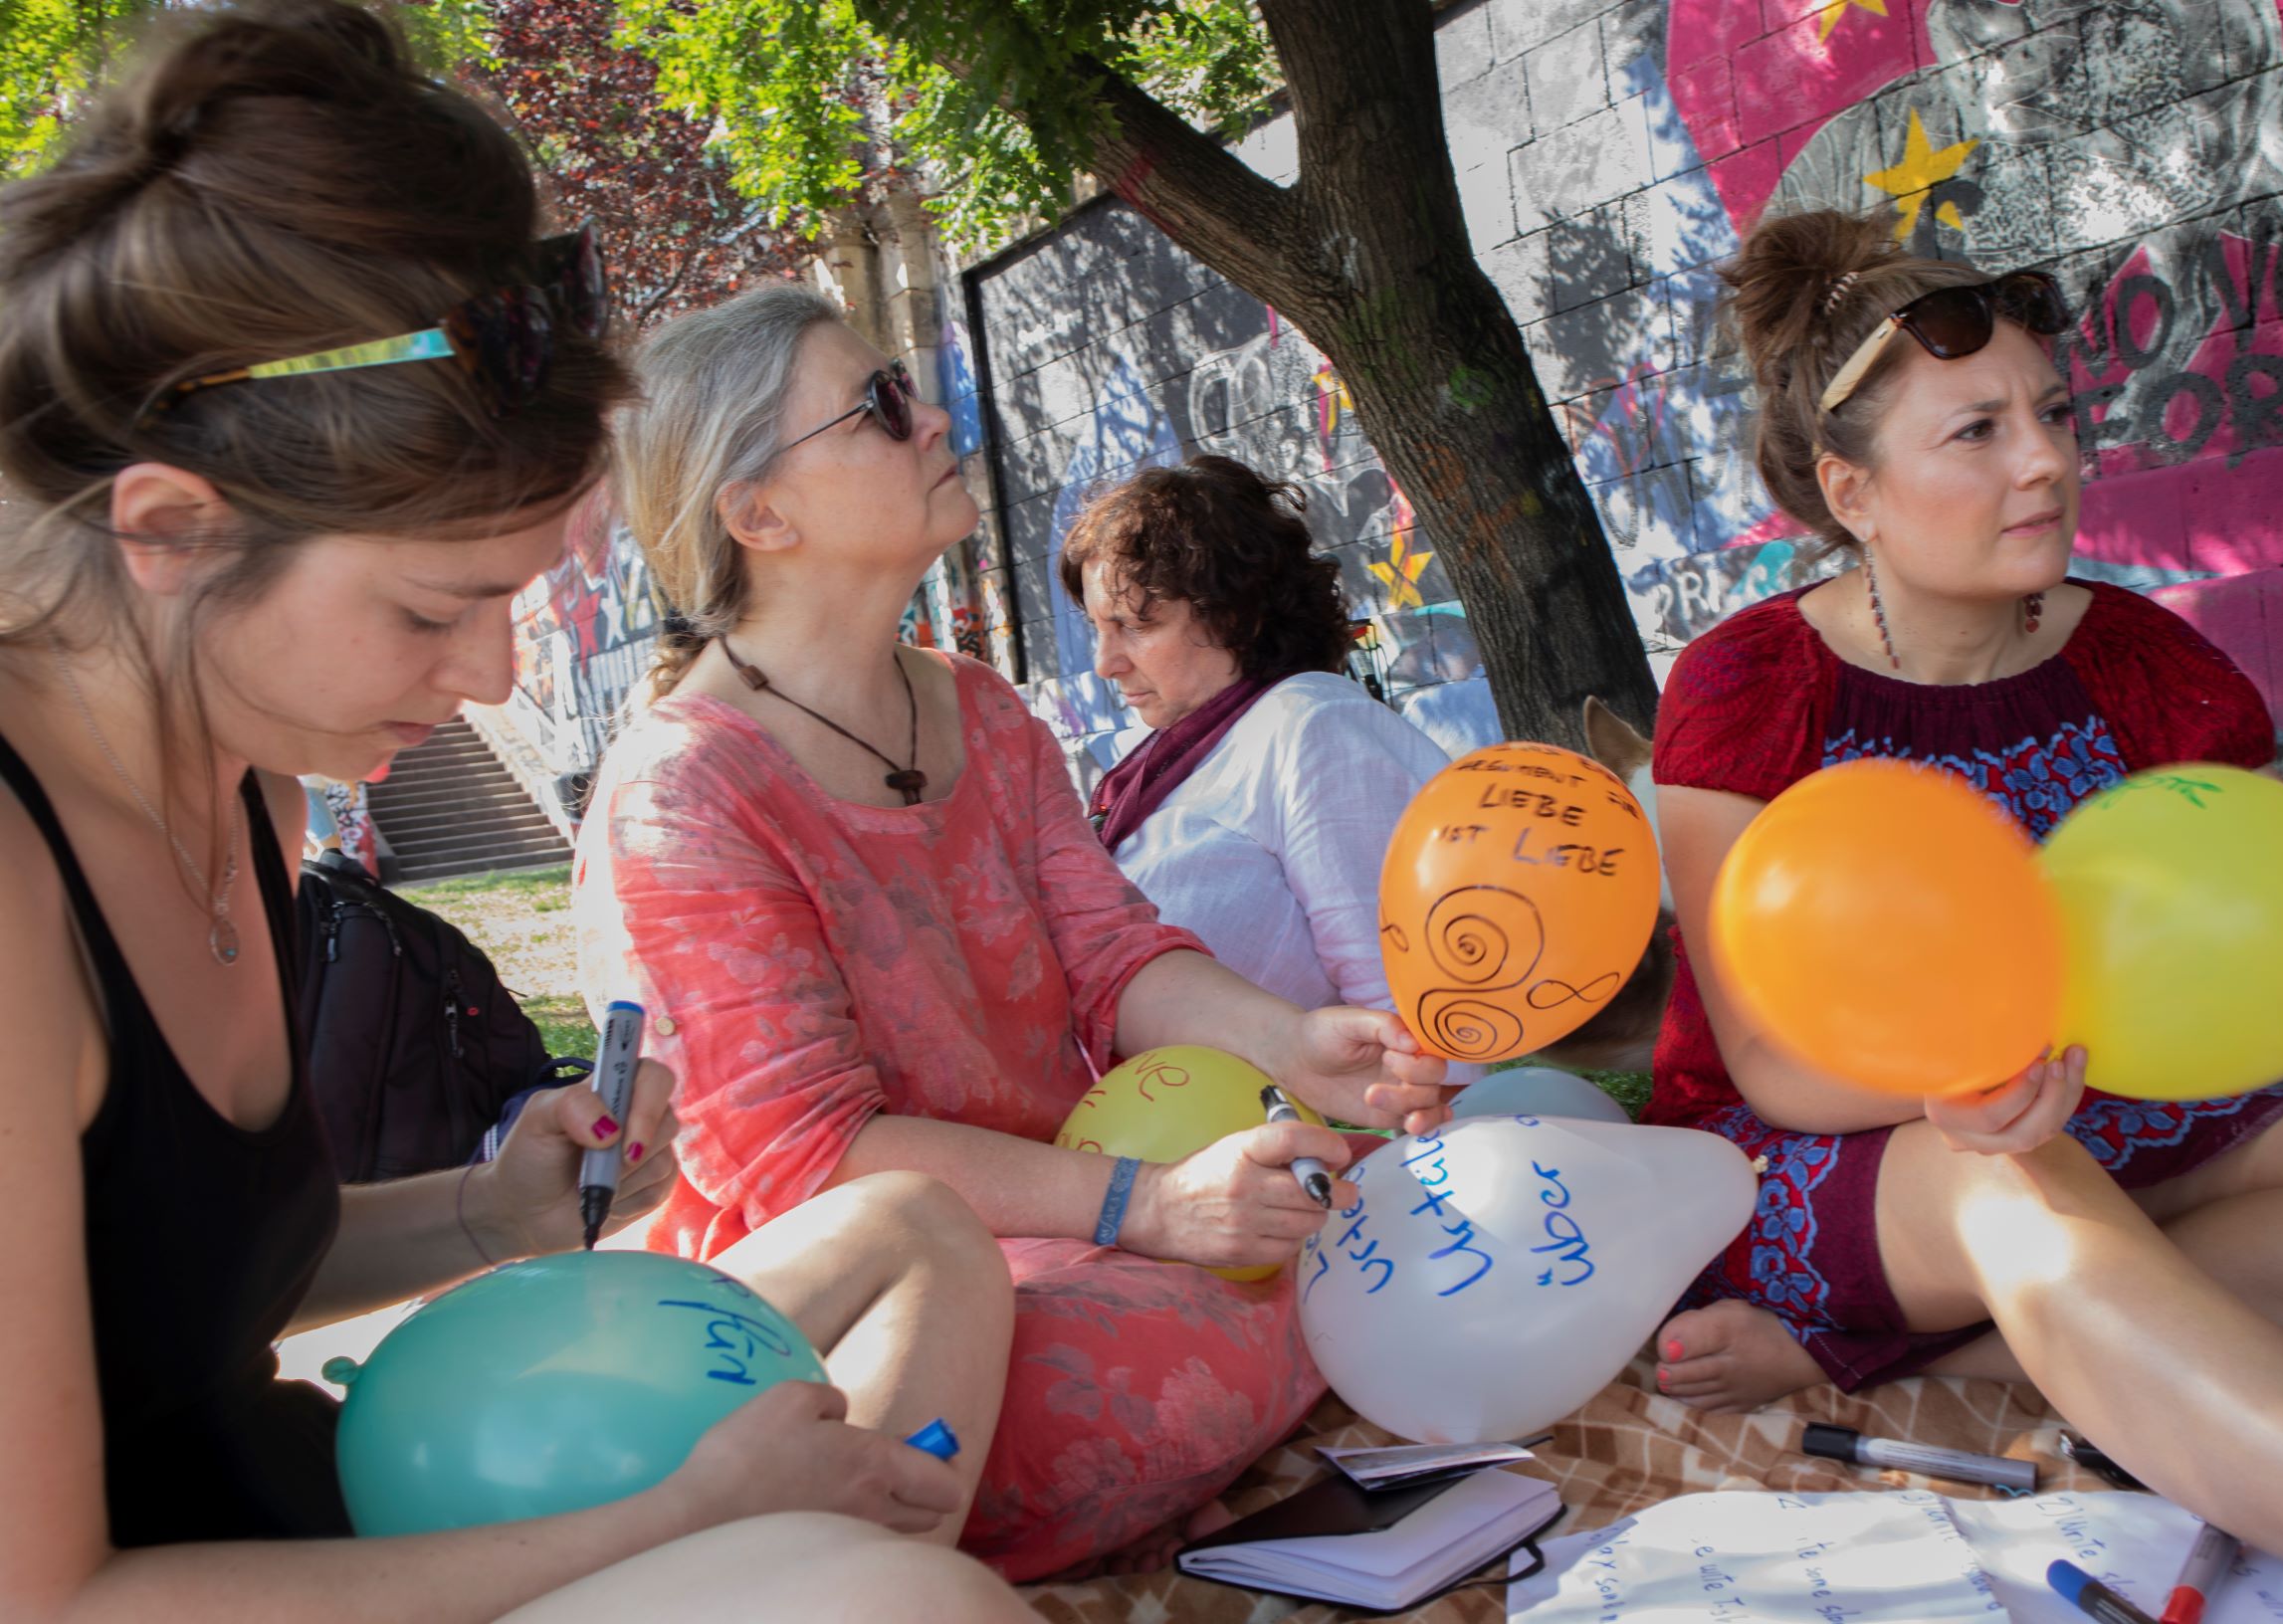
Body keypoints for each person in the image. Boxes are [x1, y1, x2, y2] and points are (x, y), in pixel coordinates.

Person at [0, 7, 1028, 1620]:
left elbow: (161, 1278)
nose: (487, 676)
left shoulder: (244, 783)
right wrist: (685, 1520)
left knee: (915, 1230)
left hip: (329, 1509)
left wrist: (485, 1206)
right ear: (172, 532)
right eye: (432, 611)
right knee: (896, 1598)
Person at [576, 286, 1453, 1580]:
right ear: (758, 515)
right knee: (1181, 1342)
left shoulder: (985, 715)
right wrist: (1148, 1205)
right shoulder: (683, 794)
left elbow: (1111, 958)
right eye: (877, 406)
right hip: (870, 1308)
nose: (933, 416)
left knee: (1352, 1224)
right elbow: (809, 1162)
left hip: (1073, 1225)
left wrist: (1298, 1042)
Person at [1637, 208, 2283, 1604]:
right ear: (1851, 490)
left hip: (2126, 1106)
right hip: (1856, 1141)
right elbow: (1764, 1054)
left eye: (2054, 413)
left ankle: (1927, 1358)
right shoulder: (1749, 686)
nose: (2050, 461)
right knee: (2013, 1177)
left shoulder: (2143, 661)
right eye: (1977, 432)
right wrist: (1960, 1085)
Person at [1060, 455, 1453, 1019]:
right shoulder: (1172, 748)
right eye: (1099, 629)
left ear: (1235, 615)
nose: (1106, 664)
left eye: (1137, 625)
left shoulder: (1315, 728)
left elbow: (1401, 1000)